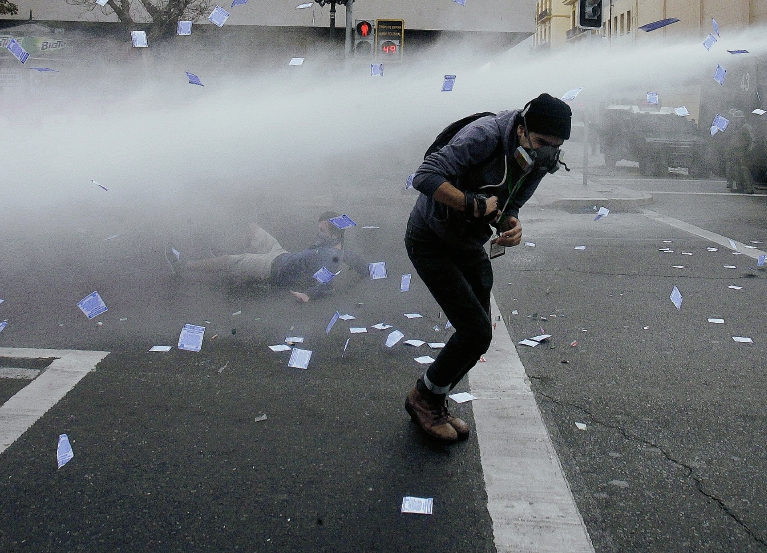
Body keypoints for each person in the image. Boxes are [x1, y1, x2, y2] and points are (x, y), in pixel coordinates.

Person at [403, 93, 571, 443]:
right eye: (540, 143)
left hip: (467, 243)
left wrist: (512, 224)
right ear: (522, 130)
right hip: (430, 240)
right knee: (475, 331)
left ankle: (432, 398)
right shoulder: (484, 136)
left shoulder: (540, 161)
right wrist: (470, 204)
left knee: (480, 336)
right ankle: (424, 400)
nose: (545, 154)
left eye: (554, 148)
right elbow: (424, 176)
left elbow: (513, 204)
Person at [171, 212, 367, 301]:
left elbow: (327, 283)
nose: (318, 231)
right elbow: (363, 266)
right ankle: (220, 254)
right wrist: (375, 272)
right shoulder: (338, 247)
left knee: (230, 261)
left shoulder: (330, 255)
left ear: (332, 231)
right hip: (282, 254)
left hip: (273, 268)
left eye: (321, 228)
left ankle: (184, 266)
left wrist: (308, 295)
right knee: (253, 229)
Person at [724, 109, 756, 194]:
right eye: (735, 119)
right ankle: (739, 187)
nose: (735, 120)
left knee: (744, 169)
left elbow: (753, 139)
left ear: (741, 119)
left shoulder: (746, 127)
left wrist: (749, 150)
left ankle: (749, 188)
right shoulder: (736, 128)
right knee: (736, 169)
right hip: (735, 151)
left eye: (737, 118)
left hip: (743, 151)